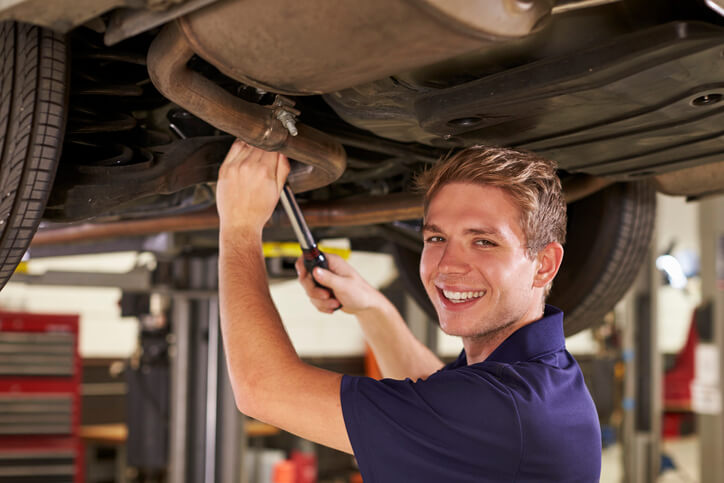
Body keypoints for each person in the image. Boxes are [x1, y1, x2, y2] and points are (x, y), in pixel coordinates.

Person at [215, 140, 602, 482]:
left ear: (545, 264)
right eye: (436, 237)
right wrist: (372, 308)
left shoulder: (505, 411)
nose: (447, 264)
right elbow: (433, 395)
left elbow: (261, 390)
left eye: (483, 241)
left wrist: (240, 227)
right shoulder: (541, 377)